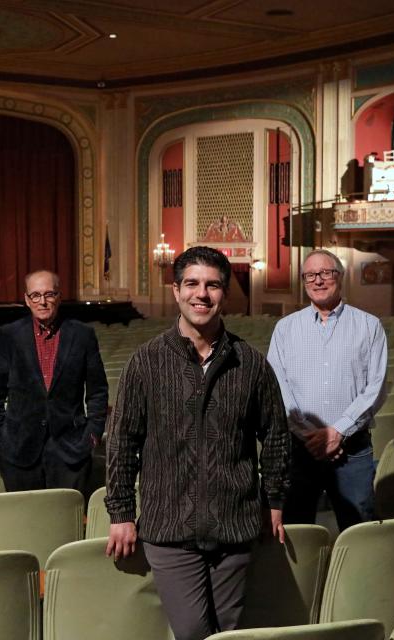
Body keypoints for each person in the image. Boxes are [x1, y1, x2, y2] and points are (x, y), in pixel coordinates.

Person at [105, 246, 290, 640]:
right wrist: (120, 511)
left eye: (212, 285)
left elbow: (275, 434)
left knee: (228, 631)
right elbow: (122, 441)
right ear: (176, 291)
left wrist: (274, 498)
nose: (201, 294)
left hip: (234, 523)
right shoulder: (147, 362)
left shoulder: (251, 363)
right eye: (192, 283)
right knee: (192, 631)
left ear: (225, 293)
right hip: (169, 526)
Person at [267, 249, 387, 529]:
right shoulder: (285, 329)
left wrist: (338, 432)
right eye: (310, 275)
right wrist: (310, 436)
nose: (318, 280)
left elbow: (376, 388)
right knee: (297, 528)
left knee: (359, 526)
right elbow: (276, 387)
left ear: (340, 277)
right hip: (299, 448)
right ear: (303, 281)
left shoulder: (369, 326)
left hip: (352, 450)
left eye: (325, 273)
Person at [0, 269, 108, 497]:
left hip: (71, 450)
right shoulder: (10, 335)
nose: (43, 301)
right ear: (26, 300)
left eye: (49, 294)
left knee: (66, 521)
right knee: (27, 522)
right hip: (18, 450)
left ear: (59, 296)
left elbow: (97, 390)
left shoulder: (83, 335)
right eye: (36, 295)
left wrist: (93, 434)